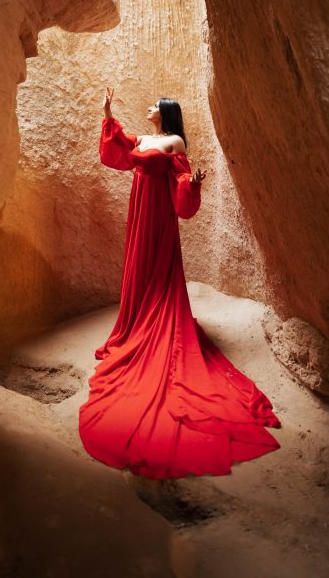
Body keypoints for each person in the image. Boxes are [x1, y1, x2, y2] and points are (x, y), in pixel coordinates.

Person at [78, 86, 281, 479]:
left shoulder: (174, 141)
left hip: (159, 212)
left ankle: (157, 320)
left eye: (156, 104)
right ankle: (136, 323)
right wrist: (107, 113)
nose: (150, 106)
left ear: (166, 112)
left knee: (158, 269)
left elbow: (180, 180)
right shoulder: (144, 138)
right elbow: (119, 150)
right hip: (140, 206)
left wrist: (192, 184)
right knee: (138, 265)